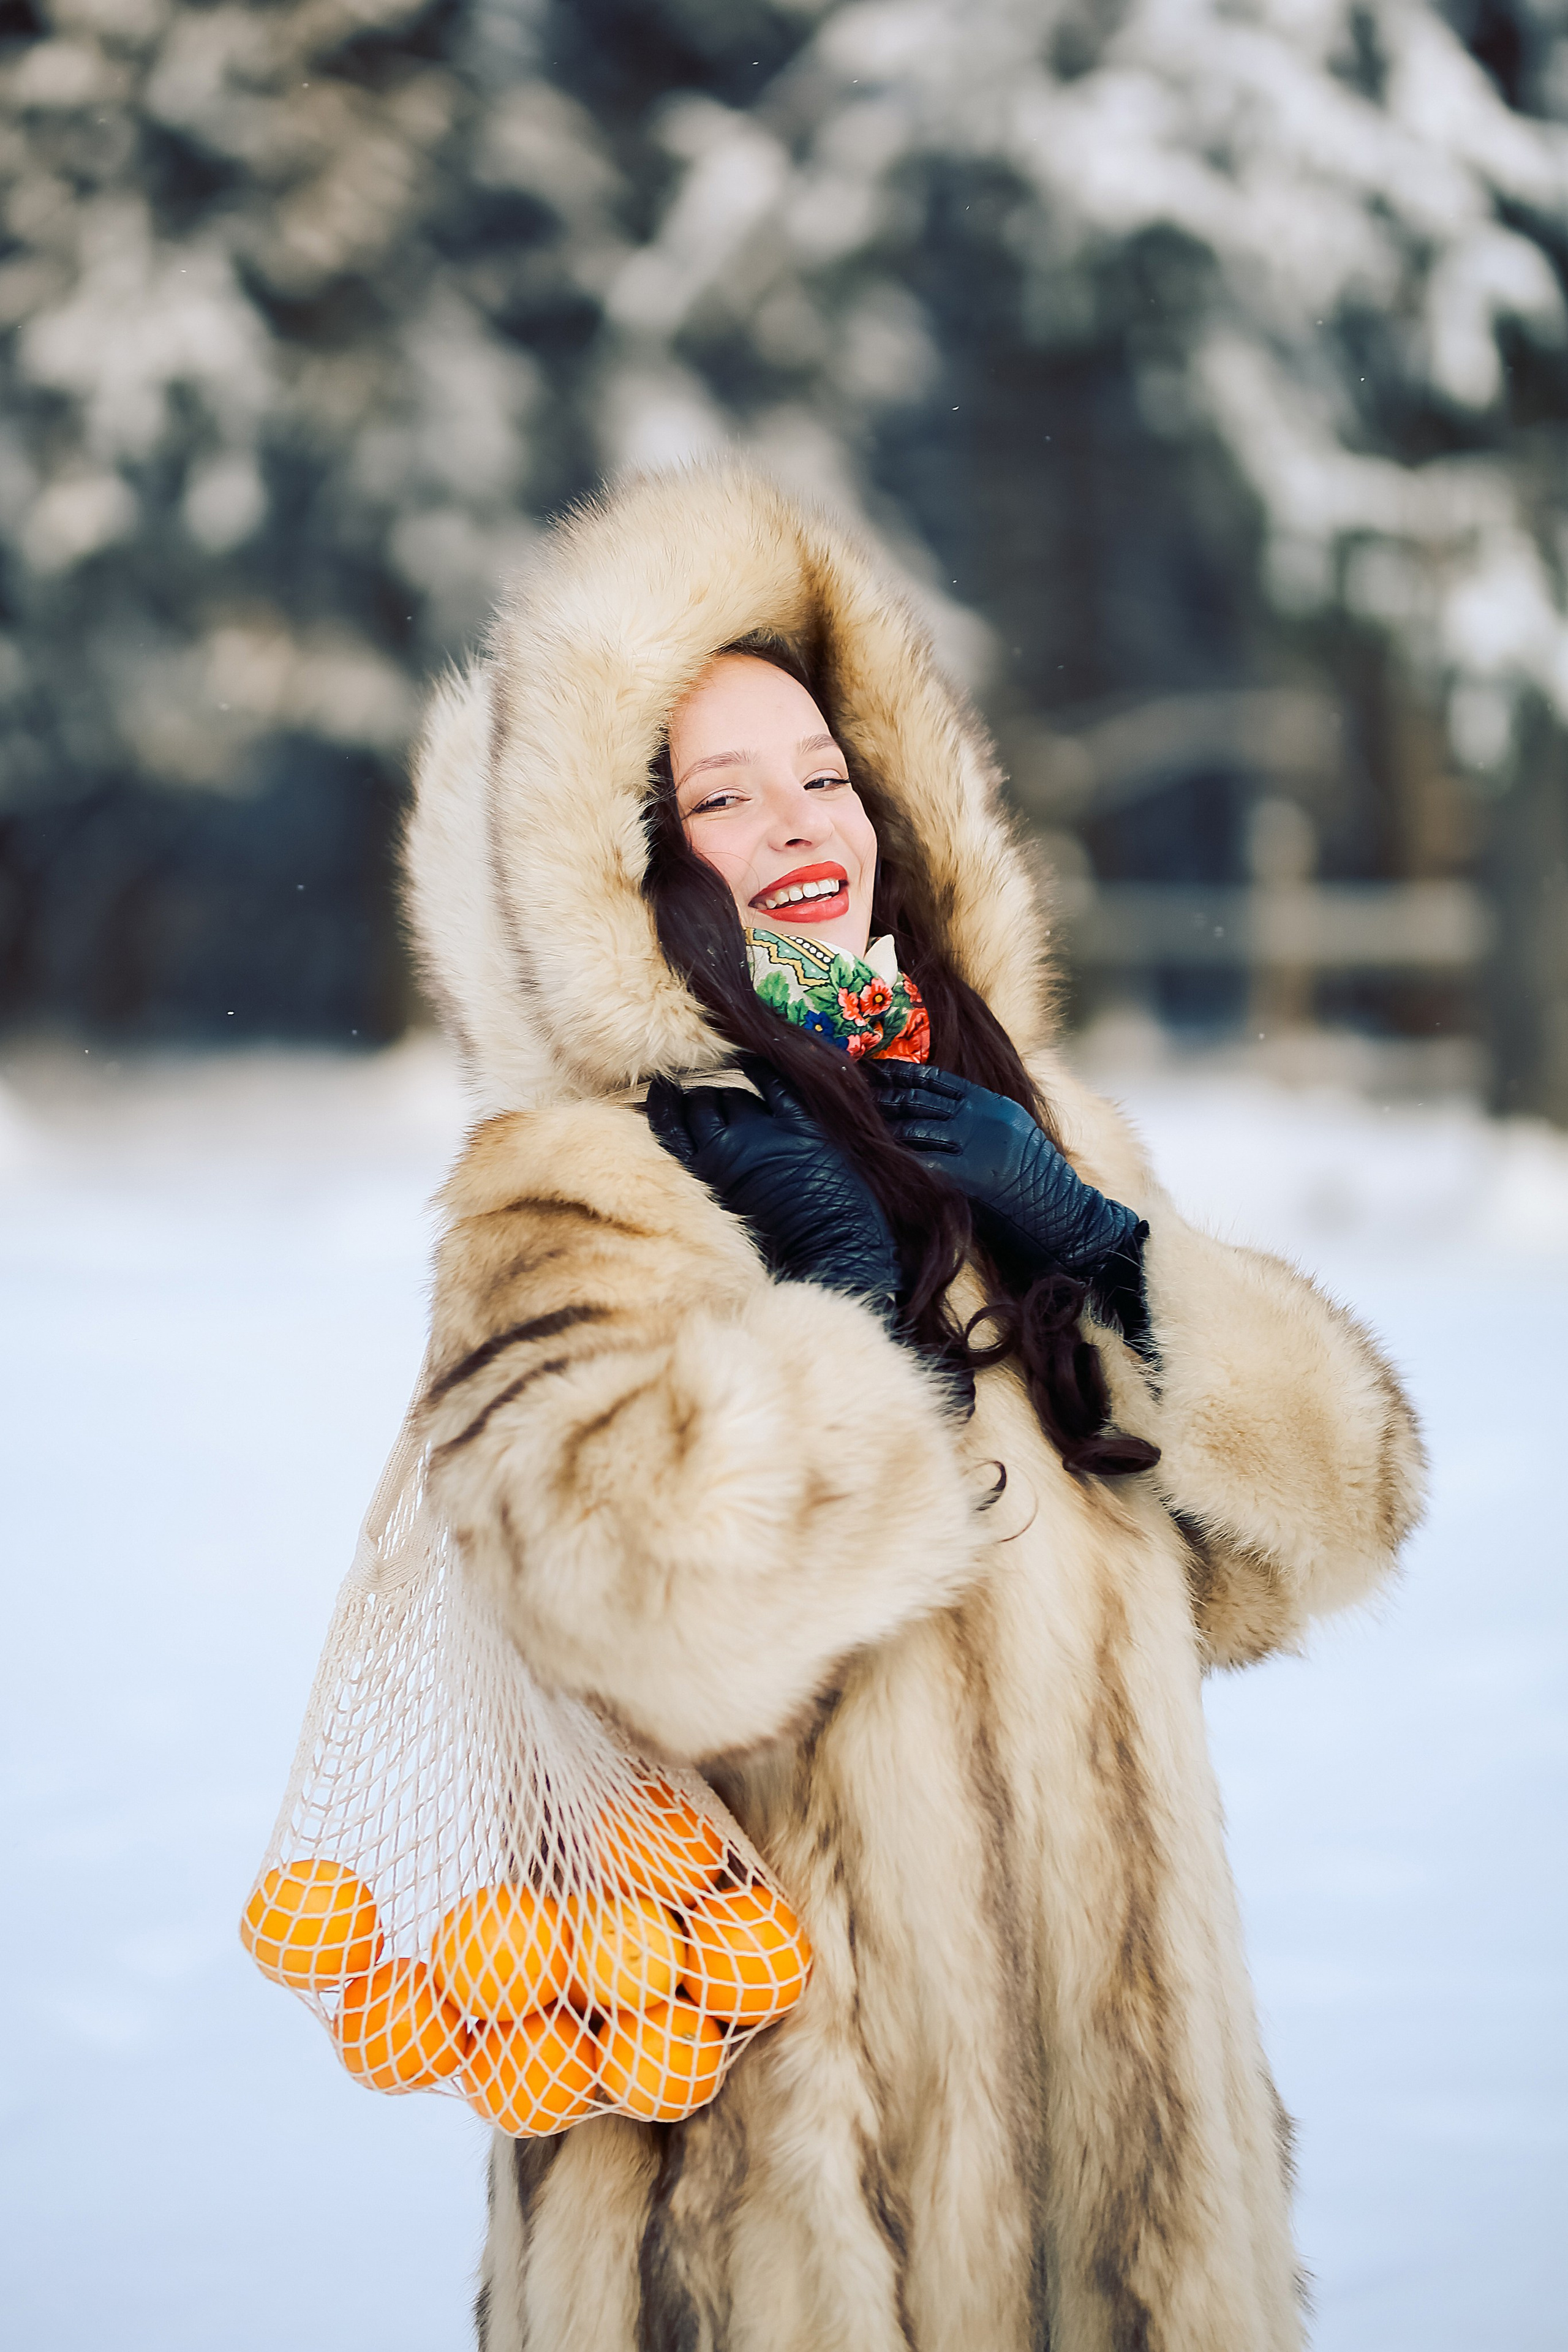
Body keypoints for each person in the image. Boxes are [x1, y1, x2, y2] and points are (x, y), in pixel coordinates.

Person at [405, 463, 1425, 2352]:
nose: (800, 825)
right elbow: (625, 1613)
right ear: (627, 868)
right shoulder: (585, 1186)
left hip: (1118, 2184)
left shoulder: (1021, 1121)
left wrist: (1105, 1248)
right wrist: (839, 1305)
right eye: (723, 795)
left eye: (824, 774)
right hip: (775, 2207)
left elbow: (1320, 1538)